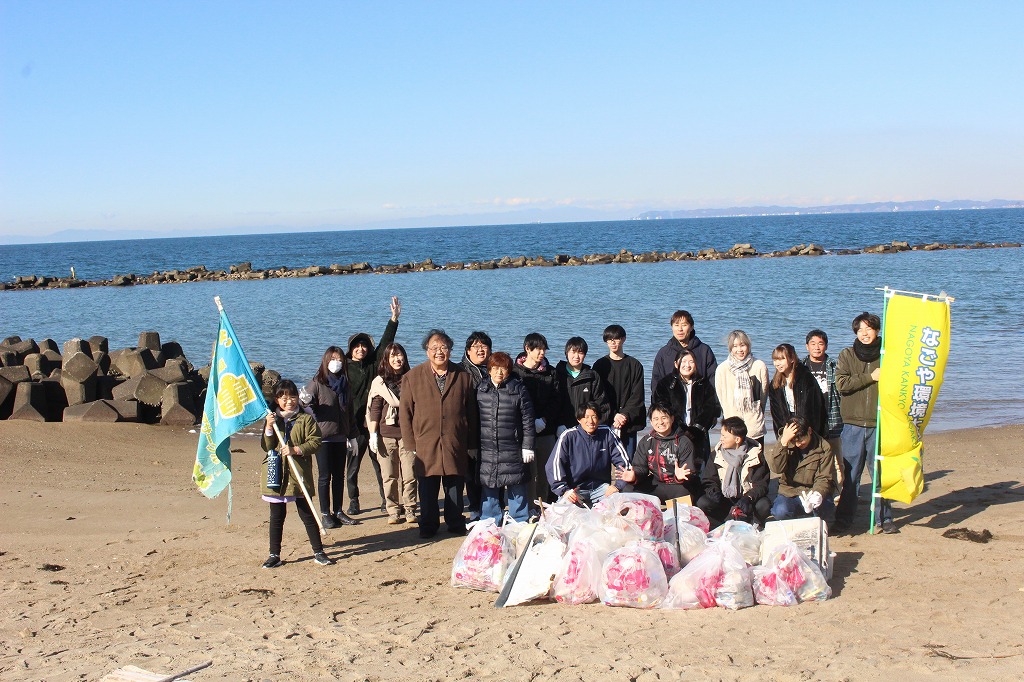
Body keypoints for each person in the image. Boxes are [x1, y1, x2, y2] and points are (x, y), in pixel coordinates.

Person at [399, 329, 480, 539]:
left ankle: (455, 522)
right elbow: (405, 414)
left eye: (443, 347)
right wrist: (410, 445)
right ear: (427, 351)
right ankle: (428, 524)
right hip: (425, 442)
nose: (439, 352)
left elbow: (471, 412)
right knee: (427, 488)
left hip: (455, 441)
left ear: (450, 350)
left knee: (454, 486)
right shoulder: (412, 377)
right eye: (434, 348)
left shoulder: (463, 376)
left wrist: (472, 444)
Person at [260, 380, 333, 568]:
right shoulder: (272, 419)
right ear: (277, 400)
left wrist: (296, 450)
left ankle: (318, 552)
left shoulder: (305, 419)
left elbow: (316, 442)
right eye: (284, 398)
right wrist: (269, 427)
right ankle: (274, 555)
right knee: (277, 516)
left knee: (307, 513)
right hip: (276, 473)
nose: (289, 401)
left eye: (292, 397)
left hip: (299, 472)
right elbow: (266, 447)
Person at [834, 312, 895, 534]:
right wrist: (871, 377)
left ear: (877, 330)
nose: (864, 333)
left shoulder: (887, 354)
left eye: (868, 329)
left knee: (879, 475)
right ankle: (844, 519)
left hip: (879, 423)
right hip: (853, 424)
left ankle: (884, 518)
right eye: (860, 330)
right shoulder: (847, 354)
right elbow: (842, 384)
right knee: (851, 476)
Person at [345, 296, 401, 516]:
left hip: (374, 423)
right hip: (353, 426)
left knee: (380, 463)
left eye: (364, 345)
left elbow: (386, 343)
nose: (361, 349)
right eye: (357, 346)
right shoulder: (344, 368)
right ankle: (353, 500)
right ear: (350, 349)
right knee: (353, 466)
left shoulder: (373, 365)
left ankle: (385, 499)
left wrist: (393, 319)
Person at [476, 352, 536, 523]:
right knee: (490, 485)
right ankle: (490, 522)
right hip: (488, 448)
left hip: (513, 446)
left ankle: (519, 521)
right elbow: (474, 419)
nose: (499, 372)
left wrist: (528, 446)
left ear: (509, 370)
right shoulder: (481, 390)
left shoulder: (518, 389)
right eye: (495, 368)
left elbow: (528, 420)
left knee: (516, 484)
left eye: (503, 369)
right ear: (489, 370)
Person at [304, 346, 359, 529]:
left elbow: (349, 412)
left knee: (339, 476)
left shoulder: (345, 384)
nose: (337, 362)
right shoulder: (317, 383)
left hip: (340, 436)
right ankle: (325, 514)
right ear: (326, 361)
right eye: (333, 359)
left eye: (340, 359)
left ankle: (338, 511)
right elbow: (306, 406)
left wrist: (352, 436)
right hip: (323, 437)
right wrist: (306, 401)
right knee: (324, 476)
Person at [367, 343, 417, 525]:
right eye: (393, 356)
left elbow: (418, 408)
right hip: (386, 434)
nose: (397, 359)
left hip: (408, 434)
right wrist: (373, 434)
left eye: (399, 355)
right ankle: (393, 510)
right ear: (387, 359)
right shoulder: (379, 382)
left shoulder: (411, 379)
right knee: (389, 475)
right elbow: (375, 410)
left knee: (410, 474)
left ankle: (410, 509)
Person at [547, 401, 630, 506]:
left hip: (601, 488)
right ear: (579, 419)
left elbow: (623, 462)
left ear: (599, 419)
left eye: (594, 417)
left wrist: (617, 486)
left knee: (618, 504)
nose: (590, 421)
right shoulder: (568, 436)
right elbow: (554, 465)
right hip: (574, 489)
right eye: (586, 417)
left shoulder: (607, 433)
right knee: (563, 510)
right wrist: (564, 490)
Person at [512, 332, 559, 510]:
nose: (542, 353)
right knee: (528, 473)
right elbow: (513, 402)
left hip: (546, 430)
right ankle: (530, 508)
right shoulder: (515, 372)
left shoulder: (551, 372)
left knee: (546, 471)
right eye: (538, 349)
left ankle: (543, 506)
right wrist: (529, 422)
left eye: (544, 349)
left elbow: (556, 400)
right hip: (524, 432)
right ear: (527, 349)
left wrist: (544, 419)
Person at [617, 403, 701, 503]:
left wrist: (680, 477)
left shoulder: (684, 442)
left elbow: (690, 471)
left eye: (664, 418)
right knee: (628, 490)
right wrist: (634, 476)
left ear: (672, 419)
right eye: (656, 419)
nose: (660, 422)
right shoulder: (646, 441)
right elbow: (641, 468)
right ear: (651, 422)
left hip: (678, 485)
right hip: (656, 483)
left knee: (685, 496)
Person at [696, 416, 771, 529]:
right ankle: (721, 522)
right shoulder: (716, 455)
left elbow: (761, 485)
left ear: (737, 439)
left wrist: (748, 498)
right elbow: (709, 480)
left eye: (724, 436)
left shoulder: (755, 455)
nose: (721, 439)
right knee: (703, 502)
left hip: (747, 500)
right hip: (725, 498)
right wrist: (714, 492)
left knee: (764, 504)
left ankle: (754, 522)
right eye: (721, 435)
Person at [652, 348, 721, 464]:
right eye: (683, 361)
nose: (687, 365)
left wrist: (697, 428)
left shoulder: (703, 383)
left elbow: (710, 408)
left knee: (700, 466)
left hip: (698, 433)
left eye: (691, 361)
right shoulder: (665, 383)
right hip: (674, 432)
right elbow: (662, 407)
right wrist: (679, 429)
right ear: (676, 364)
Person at [766, 416, 836, 522]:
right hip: (790, 492)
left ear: (809, 431)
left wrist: (818, 493)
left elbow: (824, 477)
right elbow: (777, 469)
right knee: (780, 511)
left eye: (801, 440)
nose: (798, 444)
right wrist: (783, 443)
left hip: (812, 491)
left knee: (826, 509)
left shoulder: (824, 447)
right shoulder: (786, 442)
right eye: (795, 441)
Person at [803, 329, 845, 499]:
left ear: (826, 346)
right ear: (807, 346)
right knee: (811, 459)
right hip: (810, 422)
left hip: (832, 418)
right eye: (813, 343)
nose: (817, 347)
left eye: (820, 343)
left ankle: (838, 492)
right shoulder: (801, 366)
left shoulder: (834, 366)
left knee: (836, 460)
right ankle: (813, 492)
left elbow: (841, 393)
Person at [592, 324, 646, 456]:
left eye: (616, 339)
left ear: (623, 339)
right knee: (603, 460)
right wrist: (613, 414)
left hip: (628, 422)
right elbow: (598, 395)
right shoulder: (600, 365)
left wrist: (624, 415)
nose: (613, 342)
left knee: (627, 461)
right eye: (609, 339)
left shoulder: (635, 365)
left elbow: (637, 396)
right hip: (606, 420)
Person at [714, 330, 769, 448]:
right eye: (735, 346)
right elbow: (721, 398)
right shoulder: (722, 369)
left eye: (742, 345)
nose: (739, 349)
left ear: (748, 346)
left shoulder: (759, 366)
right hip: (732, 426)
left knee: (756, 457)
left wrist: (757, 414)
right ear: (730, 348)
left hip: (754, 425)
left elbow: (763, 396)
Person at [460, 331, 492, 522]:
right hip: (470, 431)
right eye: (476, 347)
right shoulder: (460, 372)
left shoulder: (495, 369)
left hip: (492, 430)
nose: (480, 350)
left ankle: (492, 507)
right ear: (468, 351)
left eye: (484, 346)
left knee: (492, 471)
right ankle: (475, 510)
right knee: (472, 473)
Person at [768, 343, 828, 439]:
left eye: (782, 359)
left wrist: (807, 431)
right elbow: (776, 413)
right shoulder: (775, 383)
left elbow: (814, 408)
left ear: (792, 359)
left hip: (807, 427)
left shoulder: (805, 377)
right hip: (787, 426)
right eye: (775, 360)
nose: (777, 363)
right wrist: (782, 433)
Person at [651, 310, 718, 394]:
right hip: (670, 401)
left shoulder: (704, 351)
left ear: (691, 327)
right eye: (676, 325)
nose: (680, 329)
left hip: (700, 400)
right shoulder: (664, 353)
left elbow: (713, 380)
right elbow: (656, 384)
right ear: (672, 327)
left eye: (684, 325)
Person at [553, 337, 611, 430]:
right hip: (562, 428)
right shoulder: (557, 374)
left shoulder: (592, 376)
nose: (576, 356)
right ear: (566, 353)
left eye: (580, 352)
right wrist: (558, 424)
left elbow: (602, 404)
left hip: (587, 428)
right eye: (573, 352)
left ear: (585, 355)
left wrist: (594, 426)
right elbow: (553, 403)